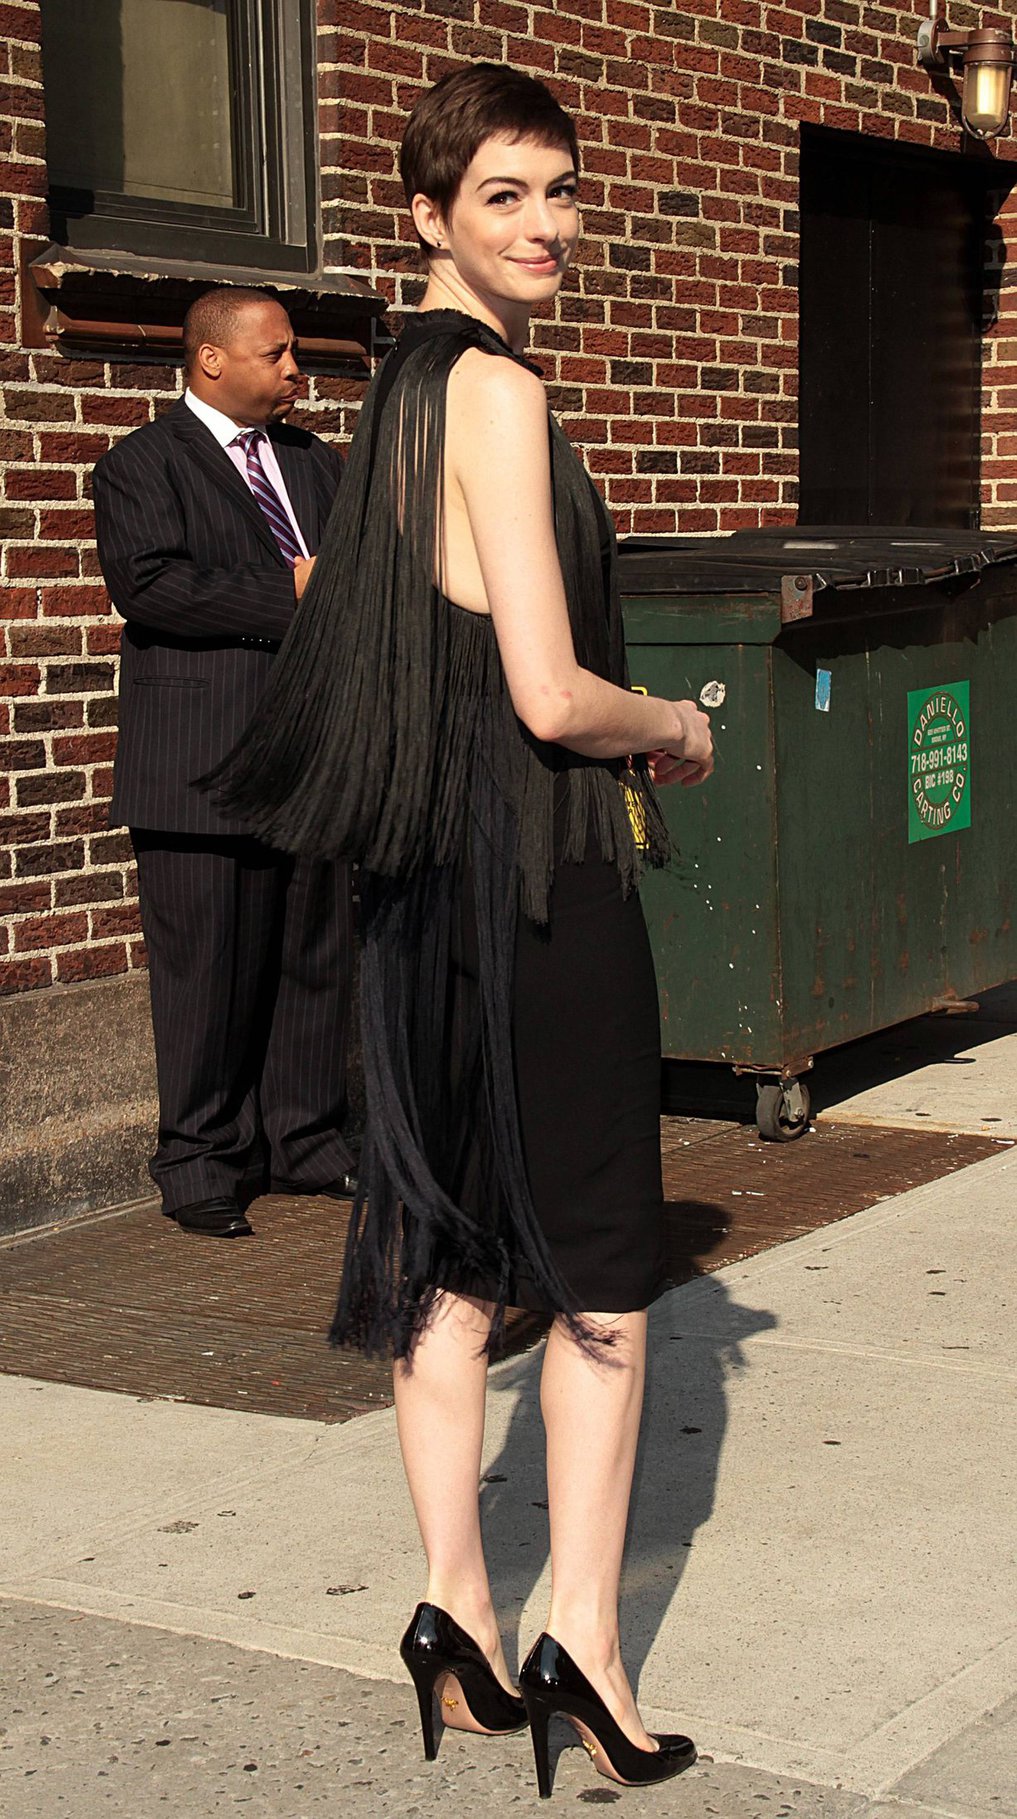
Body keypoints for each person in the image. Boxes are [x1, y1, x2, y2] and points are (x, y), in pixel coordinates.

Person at [208, 67, 714, 1794]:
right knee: (602, 1273)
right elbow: (549, 688)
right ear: (426, 217)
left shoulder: (391, 395)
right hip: (536, 879)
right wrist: (675, 725)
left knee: (440, 1250)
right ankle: (590, 1642)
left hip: (420, 893)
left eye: (560, 190)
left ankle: (451, 1611)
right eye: (504, 195)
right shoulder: (491, 387)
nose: (547, 224)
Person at [92, 287, 357, 1239]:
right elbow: (153, 587)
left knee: (314, 959)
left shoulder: (316, 463)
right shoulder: (138, 465)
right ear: (212, 360)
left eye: (296, 353)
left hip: (314, 755)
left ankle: (307, 1140)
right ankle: (201, 1158)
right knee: (205, 971)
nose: (297, 370)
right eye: (278, 353)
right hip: (199, 761)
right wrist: (291, 585)